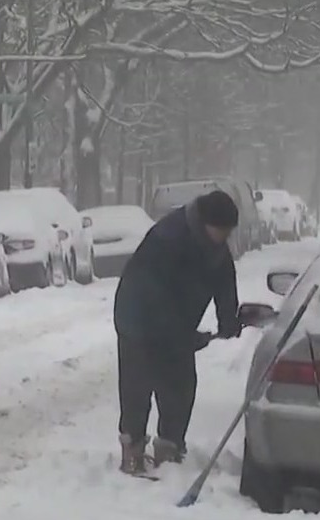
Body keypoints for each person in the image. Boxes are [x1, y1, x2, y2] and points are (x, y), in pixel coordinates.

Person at [113, 189, 242, 476]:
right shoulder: (168, 238)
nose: (225, 236)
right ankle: (132, 450)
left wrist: (228, 320)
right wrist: (183, 335)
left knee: (180, 386)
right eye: (222, 230)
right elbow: (156, 295)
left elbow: (224, 279)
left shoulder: (214, 245)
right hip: (137, 318)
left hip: (174, 324)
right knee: (137, 386)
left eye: (228, 231)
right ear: (207, 222)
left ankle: (169, 449)